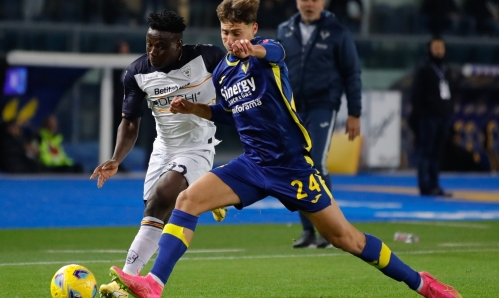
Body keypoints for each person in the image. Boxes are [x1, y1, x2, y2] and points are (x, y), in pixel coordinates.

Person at [107, 1, 462, 298]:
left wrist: (255, 48)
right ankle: (154, 284)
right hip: (252, 165)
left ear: (252, 29)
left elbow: (275, 50)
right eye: (226, 33)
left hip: (292, 167)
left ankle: (422, 283)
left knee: (347, 239)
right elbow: (228, 115)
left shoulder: (267, 55)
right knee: (186, 201)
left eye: (238, 33)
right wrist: (195, 108)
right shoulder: (223, 73)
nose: (231, 41)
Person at [90, 10, 227, 298]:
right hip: (163, 148)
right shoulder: (138, 73)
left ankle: (125, 280)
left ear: (178, 44)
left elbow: (236, 85)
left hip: (198, 145)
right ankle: (209, 192)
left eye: (161, 46)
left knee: (164, 196)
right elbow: (130, 122)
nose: (153, 51)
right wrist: (116, 158)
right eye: (149, 44)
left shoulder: (208, 58)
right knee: (155, 212)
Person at [276, 0, 361, 249]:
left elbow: (352, 72)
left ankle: (330, 230)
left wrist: (354, 112)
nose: (309, 3)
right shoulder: (285, 30)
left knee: (316, 161)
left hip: (323, 105)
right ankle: (308, 230)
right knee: (297, 164)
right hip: (292, 108)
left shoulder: (338, 31)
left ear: (324, 2)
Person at [410, 36, 453, 197]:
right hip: (428, 117)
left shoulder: (447, 68)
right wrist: (421, 115)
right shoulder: (424, 68)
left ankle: (435, 184)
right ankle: (424, 185)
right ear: (429, 49)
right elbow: (416, 94)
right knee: (426, 152)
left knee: (437, 153)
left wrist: (449, 111)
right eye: (435, 48)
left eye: (441, 48)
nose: (439, 51)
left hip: (443, 116)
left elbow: (451, 92)